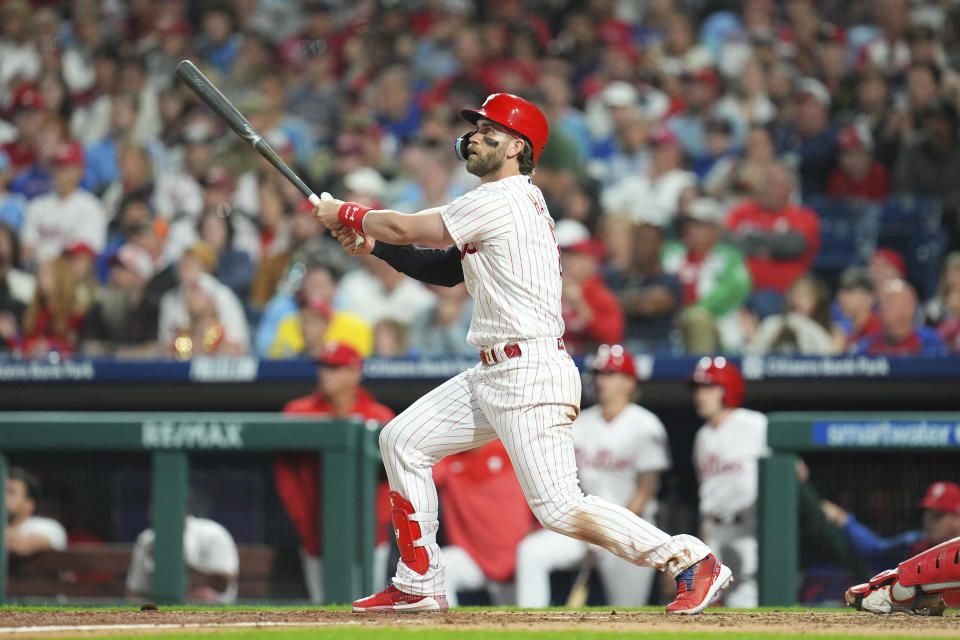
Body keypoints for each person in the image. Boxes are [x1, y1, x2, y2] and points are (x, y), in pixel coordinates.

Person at [313, 93, 731, 614]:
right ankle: (419, 583)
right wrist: (372, 245)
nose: (476, 136)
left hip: (529, 370)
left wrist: (348, 212)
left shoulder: (504, 197)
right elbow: (445, 270)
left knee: (558, 507)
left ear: (516, 146)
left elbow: (407, 227)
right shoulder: (496, 205)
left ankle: (689, 558)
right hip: (493, 372)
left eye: (490, 130)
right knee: (402, 440)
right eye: (477, 128)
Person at [515, 344, 671, 608]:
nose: (601, 380)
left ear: (629, 382)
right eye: (598, 373)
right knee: (532, 552)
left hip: (631, 529)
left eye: (610, 373)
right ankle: (531, 627)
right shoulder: (579, 422)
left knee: (627, 611)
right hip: (585, 527)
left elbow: (646, 490)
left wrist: (611, 531)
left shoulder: (646, 425)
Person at [274, 341, 395, 603]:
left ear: (354, 372)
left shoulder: (378, 414)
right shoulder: (298, 412)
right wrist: (305, 523)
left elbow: (392, 480)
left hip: (369, 537)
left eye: (334, 368)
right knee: (324, 610)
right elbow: (286, 478)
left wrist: (378, 521)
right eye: (323, 367)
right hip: (317, 535)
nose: (325, 373)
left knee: (368, 609)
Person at [690, 357, 769, 608]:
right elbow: (707, 494)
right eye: (698, 389)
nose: (700, 395)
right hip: (714, 533)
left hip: (748, 532)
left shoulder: (755, 424)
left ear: (728, 390)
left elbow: (794, 471)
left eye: (709, 388)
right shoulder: (702, 436)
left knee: (745, 610)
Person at [833, 481, 960, 614]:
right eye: (927, 512)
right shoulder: (915, 545)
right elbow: (875, 550)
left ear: (957, 519)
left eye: (938, 515)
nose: (928, 520)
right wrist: (846, 521)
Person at [434, 440, 535, 607]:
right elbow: (416, 476)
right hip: (474, 560)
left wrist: (536, 528)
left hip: (517, 558)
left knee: (532, 554)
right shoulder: (448, 459)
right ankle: (447, 629)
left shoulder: (510, 449)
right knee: (440, 565)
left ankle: (537, 627)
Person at [125, 514, 239, 604]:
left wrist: (173, 562)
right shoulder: (148, 540)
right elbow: (134, 593)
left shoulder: (213, 533)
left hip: (212, 609)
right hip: (162, 611)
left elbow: (223, 585)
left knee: (204, 596)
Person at [857, 279, 947, 356]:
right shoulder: (866, 346)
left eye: (890, 300)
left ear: (910, 306)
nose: (883, 306)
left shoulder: (929, 342)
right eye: (881, 301)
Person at [5, 466, 67, 556]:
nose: (3, 497)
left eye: (11, 492)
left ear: (29, 504)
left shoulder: (48, 526)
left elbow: (20, 547)